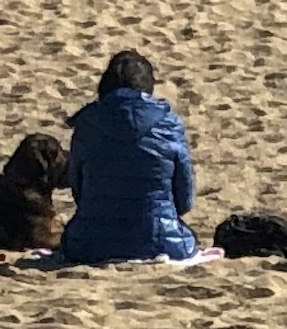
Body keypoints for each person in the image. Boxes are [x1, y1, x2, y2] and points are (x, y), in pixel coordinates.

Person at [57, 47, 200, 266]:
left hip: (89, 243)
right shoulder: (169, 124)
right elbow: (185, 199)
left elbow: (78, 190)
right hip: (161, 240)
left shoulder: (87, 123)